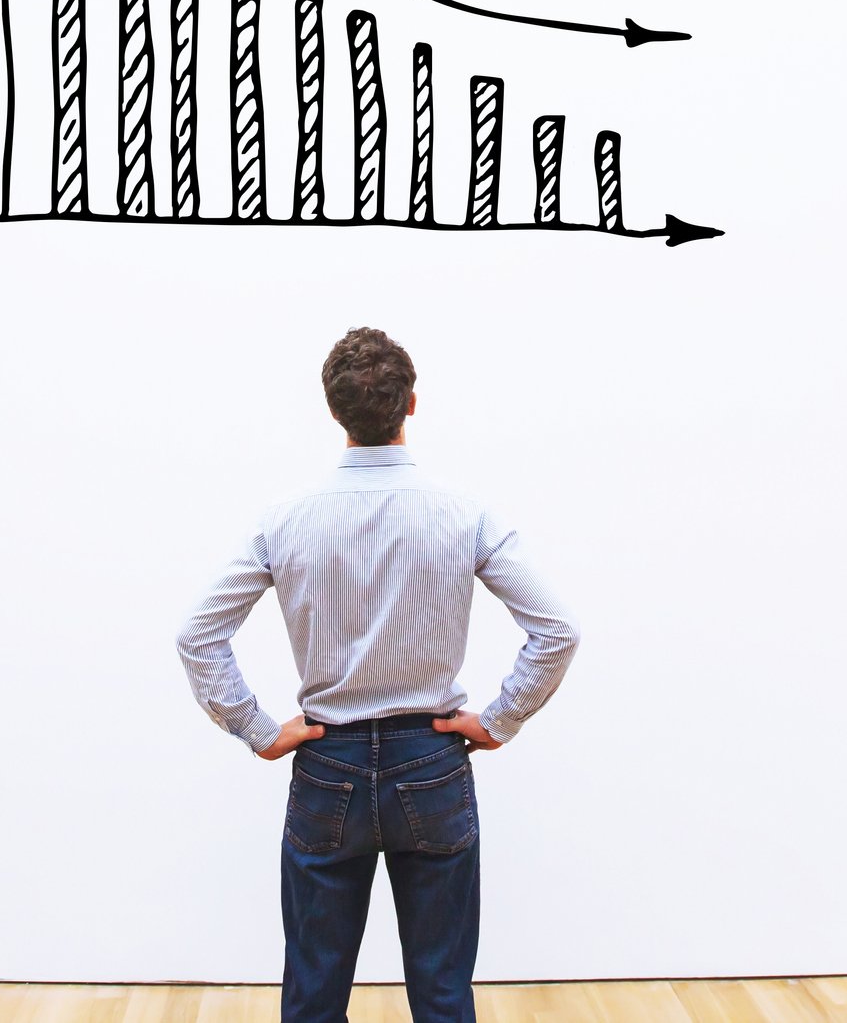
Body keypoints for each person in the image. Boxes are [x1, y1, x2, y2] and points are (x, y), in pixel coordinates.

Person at [174, 326, 582, 1023]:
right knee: (443, 990)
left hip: (326, 761)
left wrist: (258, 730)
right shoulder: (462, 513)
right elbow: (556, 629)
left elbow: (197, 634)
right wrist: (499, 718)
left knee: (313, 989)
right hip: (430, 759)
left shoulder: (286, 519)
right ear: (411, 404)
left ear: (333, 411)